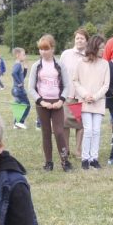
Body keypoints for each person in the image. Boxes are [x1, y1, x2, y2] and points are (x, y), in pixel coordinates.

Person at [28, 35, 72, 172]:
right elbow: (30, 88)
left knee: (59, 132)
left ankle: (65, 161)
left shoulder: (59, 65)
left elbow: (66, 85)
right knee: (46, 133)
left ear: (52, 48)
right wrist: (41, 101)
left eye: (46, 49)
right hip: (42, 104)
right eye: (41, 49)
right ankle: (48, 162)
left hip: (57, 103)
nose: (43, 52)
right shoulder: (36, 66)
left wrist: (61, 100)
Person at [73, 35, 109, 170]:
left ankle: (94, 158)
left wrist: (96, 96)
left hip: (98, 102)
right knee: (88, 130)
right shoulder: (81, 63)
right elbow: (75, 80)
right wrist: (85, 94)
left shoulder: (105, 64)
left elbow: (106, 85)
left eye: (104, 47)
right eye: (100, 48)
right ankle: (85, 158)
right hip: (85, 102)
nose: (103, 50)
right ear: (94, 48)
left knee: (96, 130)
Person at [59, 29, 88, 157]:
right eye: (77, 38)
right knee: (65, 122)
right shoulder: (66, 54)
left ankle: (78, 150)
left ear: (87, 40)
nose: (79, 40)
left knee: (80, 124)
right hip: (68, 94)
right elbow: (59, 72)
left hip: (83, 96)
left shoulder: (89, 55)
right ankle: (66, 149)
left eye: (82, 38)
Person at [10, 48, 30, 129]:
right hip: (19, 90)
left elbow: (22, 77)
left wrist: (25, 69)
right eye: (23, 54)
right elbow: (13, 73)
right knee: (27, 105)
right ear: (17, 55)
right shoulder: (17, 65)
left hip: (16, 90)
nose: (25, 56)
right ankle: (20, 122)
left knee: (19, 107)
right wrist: (19, 83)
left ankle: (16, 123)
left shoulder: (18, 65)